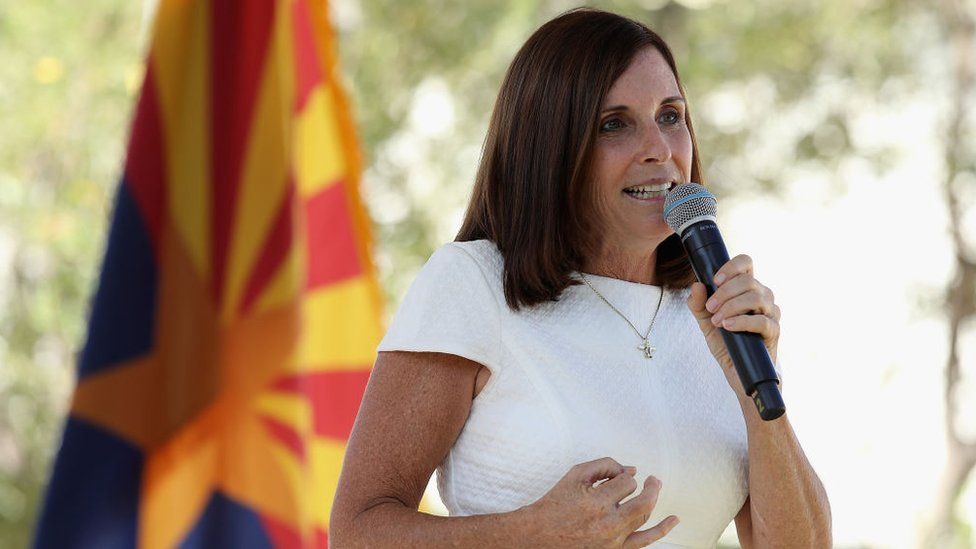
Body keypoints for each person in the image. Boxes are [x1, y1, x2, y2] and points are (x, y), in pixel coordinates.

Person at [330, 7, 831, 548]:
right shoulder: (474, 285)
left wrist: (759, 393)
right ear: (551, 148)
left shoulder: (713, 316)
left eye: (670, 115)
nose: (660, 151)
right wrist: (532, 535)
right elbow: (357, 530)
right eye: (614, 124)